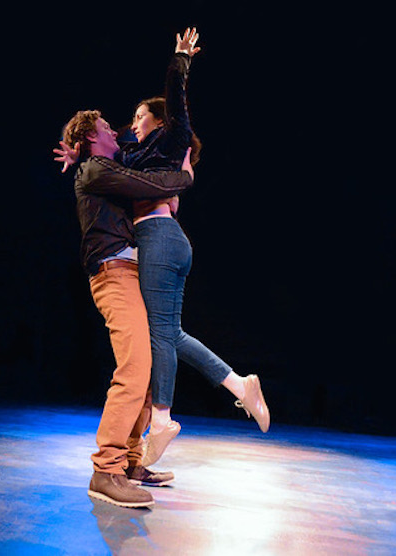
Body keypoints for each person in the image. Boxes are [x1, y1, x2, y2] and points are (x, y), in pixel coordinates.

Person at [57, 29, 270, 469]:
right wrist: (80, 151)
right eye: (116, 126)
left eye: (137, 119)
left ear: (156, 119)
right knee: (154, 348)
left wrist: (180, 62)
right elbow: (118, 153)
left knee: (156, 345)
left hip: (154, 245)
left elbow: (162, 113)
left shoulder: (163, 140)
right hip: (138, 255)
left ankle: (155, 428)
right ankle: (222, 392)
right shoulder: (114, 161)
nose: (126, 127)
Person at [60, 109, 194, 508]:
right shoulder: (96, 169)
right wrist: (184, 179)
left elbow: (130, 143)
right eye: (105, 129)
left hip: (131, 271)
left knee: (149, 366)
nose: (116, 132)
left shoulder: (104, 162)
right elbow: (146, 182)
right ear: (89, 140)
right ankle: (106, 470)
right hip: (113, 272)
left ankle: (132, 463)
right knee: (134, 367)